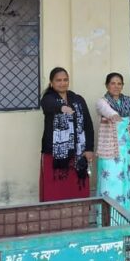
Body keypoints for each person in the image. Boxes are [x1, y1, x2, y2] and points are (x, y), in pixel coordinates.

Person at [40, 67, 95, 202]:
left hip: (78, 153)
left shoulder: (78, 99)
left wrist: (89, 148)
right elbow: (49, 105)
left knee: (77, 189)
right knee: (55, 191)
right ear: (51, 82)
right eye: (58, 80)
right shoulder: (48, 98)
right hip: (55, 156)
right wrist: (62, 108)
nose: (62, 83)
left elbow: (88, 124)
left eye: (65, 80)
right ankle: (55, 215)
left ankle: (78, 214)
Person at [95, 72, 130, 216]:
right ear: (107, 85)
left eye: (119, 83)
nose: (116, 86)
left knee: (124, 187)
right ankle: (107, 222)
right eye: (113, 83)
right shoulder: (102, 103)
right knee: (109, 187)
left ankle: (124, 220)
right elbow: (108, 111)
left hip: (128, 152)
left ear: (122, 86)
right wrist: (116, 116)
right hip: (110, 153)